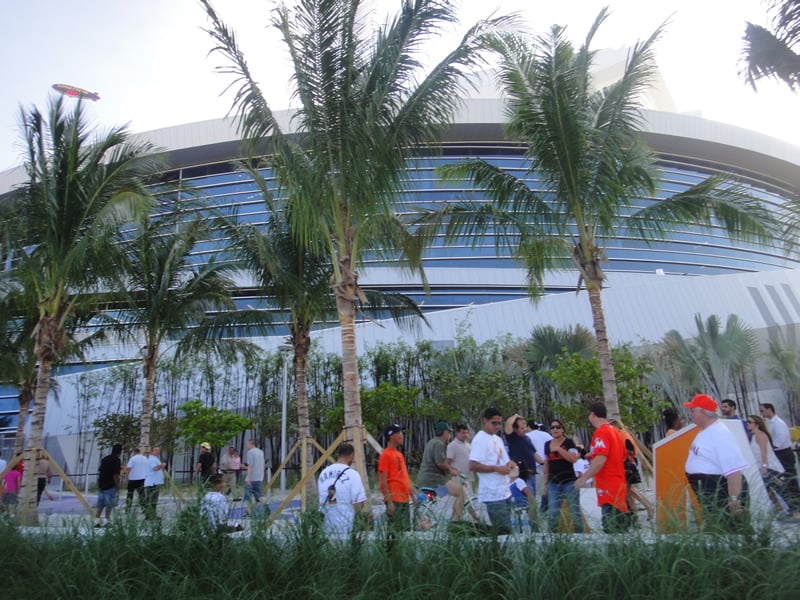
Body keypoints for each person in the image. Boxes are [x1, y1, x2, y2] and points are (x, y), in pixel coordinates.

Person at [684, 394, 749, 532]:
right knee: (717, 527)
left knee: (729, 530)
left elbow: (734, 470)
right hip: (709, 490)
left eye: (693, 410)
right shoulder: (706, 431)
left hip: (719, 490)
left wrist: (734, 499)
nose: (690, 414)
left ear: (702, 412)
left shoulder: (720, 433)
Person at [575, 401, 631, 533]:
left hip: (608, 486)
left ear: (593, 415)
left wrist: (584, 478)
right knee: (620, 527)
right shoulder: (616, 432)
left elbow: (601, 459)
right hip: (618, 484)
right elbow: (619, 455)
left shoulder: (601, 433)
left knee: (611, 528)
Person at [469, 407, 515, 535]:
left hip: (504, 490)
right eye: (494, 423)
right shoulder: (480, 439)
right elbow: (472, 465)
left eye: (499, 423)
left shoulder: (497, 439)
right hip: (492, 492)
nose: (497, 426)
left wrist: (510, 464)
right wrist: (495, 468)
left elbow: (504, 460)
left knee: (507, 528)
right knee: (503, 531)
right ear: (485, 421)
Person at [417, 421, 466, 523]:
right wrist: (451, 470)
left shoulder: (431, 442)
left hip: (426, 479)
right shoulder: (439, 443)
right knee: (461, 493)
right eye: (448, 432)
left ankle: (443, 520)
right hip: (433, 480)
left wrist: (450, 469)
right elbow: (440, 463)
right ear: (444, 433)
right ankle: (454, 522)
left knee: (449, 494)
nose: (449, 435)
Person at [317, 442, 369, 536]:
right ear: (351, 455)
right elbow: (358, 502)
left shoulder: (323, 473)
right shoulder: (352, 474)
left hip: (326, 526)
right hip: (345, 526)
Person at [543, 419, 585, 533]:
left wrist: (559, 450)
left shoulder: (569, 442)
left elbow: (573, 459)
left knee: (574, 511)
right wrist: (545, 482)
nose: (555, 429)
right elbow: (546, 463)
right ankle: (553, 538)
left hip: (569, 482)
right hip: (553, 483)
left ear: (562, 429)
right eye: (552, 427)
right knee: (553, 513)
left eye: (557, 427)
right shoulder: (547, 444)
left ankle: (581, 537)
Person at [746, 414, 791, 517]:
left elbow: (764, 452)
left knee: (780, 489)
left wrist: (765, 466)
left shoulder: (760, 435)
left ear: (756, 424)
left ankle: (793, 509)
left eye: (750, 422)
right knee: (768, 490)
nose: (747, 424)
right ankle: (779, 509)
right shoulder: (754, 436)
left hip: (770, 467)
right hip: (761, 467)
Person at [759, 403, 800, 513]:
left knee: (790, 480)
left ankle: (797, 505)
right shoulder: (771, 423)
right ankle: (794, 505)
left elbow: (780, 441)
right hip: (779, 454)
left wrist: (769, 447)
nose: (761, 413)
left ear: (769, 409)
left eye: (762, 411)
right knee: (785, 480)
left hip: (784, 454)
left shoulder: (778, 423)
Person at [378, 423, 413, 544]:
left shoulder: (399, 455)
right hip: (395, 499)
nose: (402, 436)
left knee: (404, 531)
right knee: (394, 533)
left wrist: (412, 495)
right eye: (400, 433)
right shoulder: (385, 455)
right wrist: (389, 501)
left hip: (404, 498)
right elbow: (383, 480)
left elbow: (405, 477)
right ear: (392, 436)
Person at [446, 424, 480, 520]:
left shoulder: (468, 445)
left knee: (466, 498)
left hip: (468, 476)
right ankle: (475, 517)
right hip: (459, 477)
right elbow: (448, 461)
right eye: (462, 433)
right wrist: (451, 471)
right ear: (457, 433)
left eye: (466, 433)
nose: (465, 435)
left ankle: (454, 518)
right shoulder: (452, 445)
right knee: (465, 498)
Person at [505, 414, 541, 497]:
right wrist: (515, 416)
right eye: (521, 426)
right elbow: (508, 425)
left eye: (524, 424)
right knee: (527, 499)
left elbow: (534, 453)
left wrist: (543, 463)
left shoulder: (527, 438)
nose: (524, 427)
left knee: (533, 497)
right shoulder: (512, 438)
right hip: (521, 474)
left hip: (532, 473)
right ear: (515, 429)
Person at [526, 419, 552, 512]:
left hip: (535, 467)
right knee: (545, 490)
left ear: (528, 427)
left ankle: (536, 513)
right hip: (547, 465)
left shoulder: (527, 436)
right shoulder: (547, 435)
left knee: (533, 493)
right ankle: (544, 510)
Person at [95, 443, 122, 528]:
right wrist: (117, 485)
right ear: (120, 452)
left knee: (100, 505)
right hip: (110, 485)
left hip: (101, 484)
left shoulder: (105, 459)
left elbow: (101, 470)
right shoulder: (117, 460)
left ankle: (97, 522)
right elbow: (115, 475)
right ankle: (106, 522)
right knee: (109, 505)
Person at [144, 447, 166, 520]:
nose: (158, 452)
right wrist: (161, 465)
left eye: (159, 451)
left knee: (151, 499)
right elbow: (155, 468)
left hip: (155, 482)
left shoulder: (155, 459)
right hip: (153, 483)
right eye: (156, 450)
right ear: (152, 451)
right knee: (152, 500)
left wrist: (161, 466)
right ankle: (151, 515)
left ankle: (149, 515)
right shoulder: (152, 459)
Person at [244, 439, 265, 511]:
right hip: (259, 477)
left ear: (250, 444)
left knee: (248, 495)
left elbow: (250, 465)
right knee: (258, 495)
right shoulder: (260, 452)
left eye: (247, 444)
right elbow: (263, 464)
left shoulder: (250, 452)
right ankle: (264, 506)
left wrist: (248, 478)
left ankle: (249, 510)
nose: (247, 445)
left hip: (252, 477)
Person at [124, 447, 148, 512]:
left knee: (130, 494)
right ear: (139, 452)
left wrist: (126, 478)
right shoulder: (145, 458)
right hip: (142, 479)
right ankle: (144, 509)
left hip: (133, 479)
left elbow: (128, 469)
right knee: (142, 494)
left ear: (134, 452)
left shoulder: (132, 459)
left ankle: (128, 509)